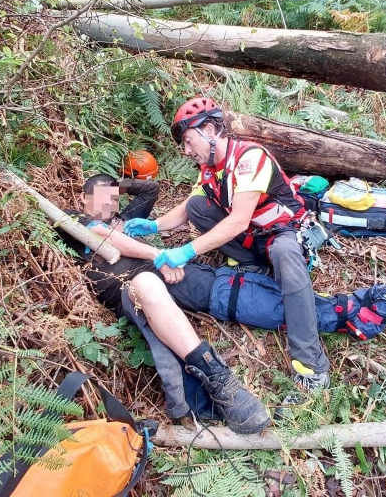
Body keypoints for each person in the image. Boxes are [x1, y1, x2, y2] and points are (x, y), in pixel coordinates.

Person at [123, 98, 332, 395]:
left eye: (188, 141)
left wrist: (186, 252)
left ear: (209, 129)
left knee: (284, 253)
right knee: (198, 205)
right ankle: (253, 265)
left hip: (284, 234)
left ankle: (310, 362)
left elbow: (237, 221)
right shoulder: (209, 169)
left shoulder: (249, 158)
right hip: (255, 238)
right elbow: (186, 209)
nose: (186, 150)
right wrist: (155, 225)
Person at [57, 173, 270, 434]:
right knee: (147, 283)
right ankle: (219, 378)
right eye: (100, 198)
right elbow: (105, 238)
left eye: (112, 200)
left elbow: (150, 189)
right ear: (82, 198)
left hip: (164, 271)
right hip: (132, 284)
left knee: (225, 290)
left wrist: (116, 188)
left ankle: (320, 313)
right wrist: (160, 255)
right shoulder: (72, 219)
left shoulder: (125, 219)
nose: (108, 204)